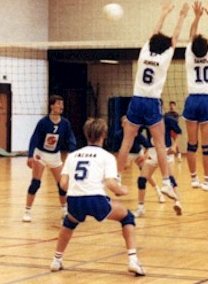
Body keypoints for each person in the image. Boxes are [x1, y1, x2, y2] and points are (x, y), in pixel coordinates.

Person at [50, 118, 145, 276]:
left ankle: (56, 260)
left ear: (86, 134)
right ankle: (133, 260)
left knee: (69, 222)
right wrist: (122, 190)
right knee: (127, 217)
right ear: (103, 135)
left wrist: (78, 188)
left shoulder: (72, 156)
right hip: (95, 199)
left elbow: (63, 184)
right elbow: (110, 184)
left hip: (73, 200)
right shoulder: (107, 157)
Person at [116, 0, 189, 201]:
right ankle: (166, 182)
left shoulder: (144, 52)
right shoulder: (165, 57)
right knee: (159, 145)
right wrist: (182, 16)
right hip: (152, 103)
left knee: (126, 142)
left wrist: (164, 13)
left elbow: (154, 33)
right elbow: (175, 37)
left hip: (136, 101)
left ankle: (117, 177)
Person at [183, 0, 208, 192]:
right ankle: (207, 180)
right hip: (206, 100)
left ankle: (193, 179)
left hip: (192, 99)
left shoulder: (190, 53)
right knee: (207, 146)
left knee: (191, 143)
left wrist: (196, 17)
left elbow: (191, 35)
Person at [22, 95, 77, 222]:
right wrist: (30, 156)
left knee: (62, 184)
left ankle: (64, 210)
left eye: (62, 104)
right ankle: (27, 211)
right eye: (58, 103)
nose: (61, 106)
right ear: (52, 106)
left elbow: (71, 139)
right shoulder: (43, 122)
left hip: (55, 155)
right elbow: (34, 138)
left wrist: (72, 152)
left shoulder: (65, 123)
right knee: (36, 183)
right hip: (40, 153)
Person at [134, 114, 182, 217]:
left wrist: (174, 146)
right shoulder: (147, 119)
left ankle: (178, 202)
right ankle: (141, 208)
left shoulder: (168, 119)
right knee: (141, 180)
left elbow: (179, 132)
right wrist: (146, 150)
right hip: (152, 152)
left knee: (170, 178)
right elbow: (136, 132)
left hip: (165, 151)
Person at [112, 116, 165, 203]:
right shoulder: (118, 135)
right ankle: (117, 187)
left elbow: (148, 147)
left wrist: (144, 156)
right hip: (126, 154)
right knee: (118, 170)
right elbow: (115, 152)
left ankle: (159, 193)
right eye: (124, 123)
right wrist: (121, 161)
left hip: (138, 154)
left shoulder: (136, 134)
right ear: (122, 124)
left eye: (128, 123)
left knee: (147, 174)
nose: (126, 125)